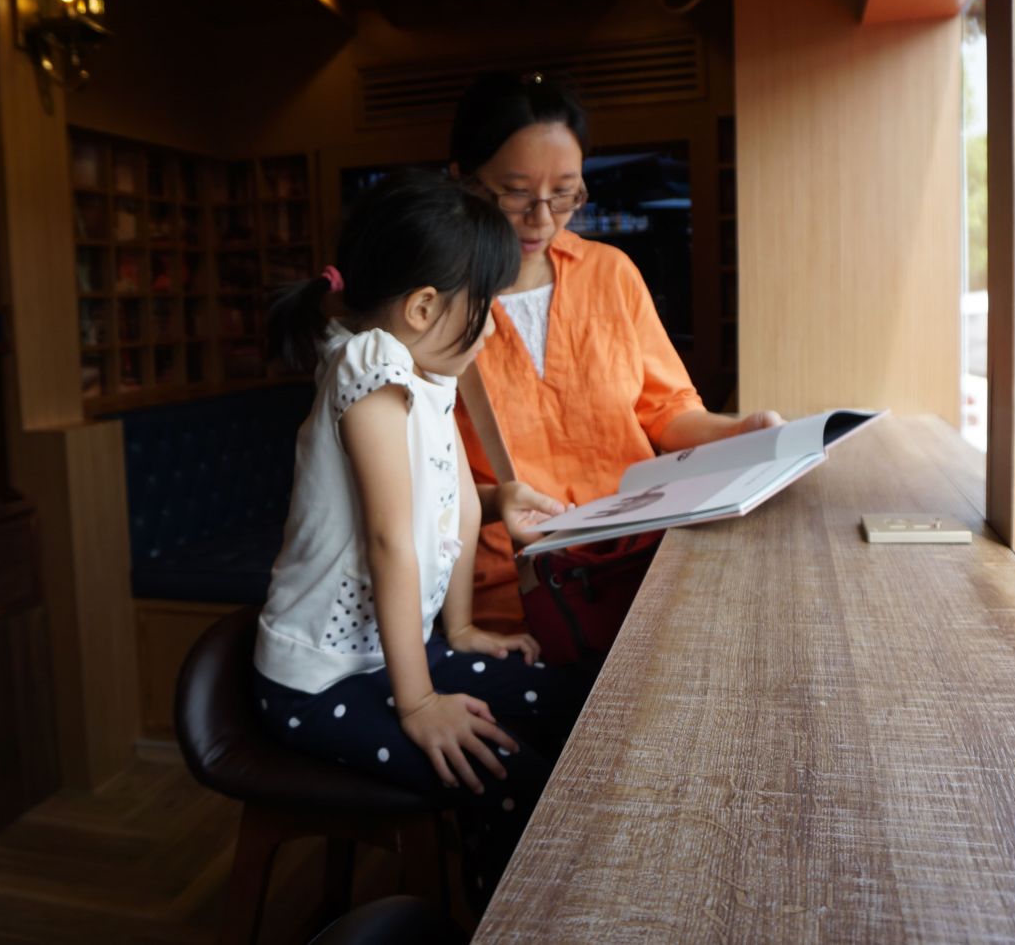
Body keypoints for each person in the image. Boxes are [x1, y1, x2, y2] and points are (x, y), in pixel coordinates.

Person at [255, 169, 588, 903]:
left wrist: (463, 626)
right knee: (513, 781)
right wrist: (418, 703)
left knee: (571, 702)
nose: (493, 325)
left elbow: (458, 504)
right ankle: (497, 914)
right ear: (424, 306)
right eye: (486, 307)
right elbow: (389, 540)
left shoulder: (426, 370)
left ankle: (490, 886)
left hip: (387, 656)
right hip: (321, 683)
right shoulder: (368, 369)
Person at [449, 72, 783, 633]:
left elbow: (667, 412)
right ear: (464, 182)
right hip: (515, 591)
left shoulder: (610, 274)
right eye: (516, 193)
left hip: (643, 563)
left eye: (564, 193)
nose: (542, 218)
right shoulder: (436, 305)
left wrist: (742, 431)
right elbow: (421, 474)